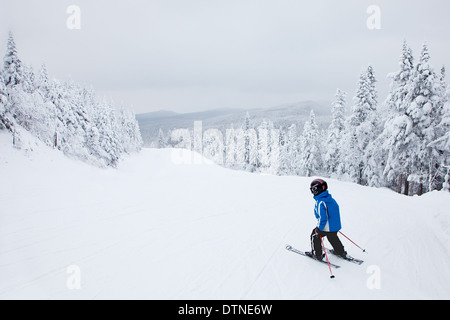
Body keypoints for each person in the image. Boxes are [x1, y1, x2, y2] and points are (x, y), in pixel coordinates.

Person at [309, 179, 347, 260]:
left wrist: (319, 229)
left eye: (312, 189)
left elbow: (323, 218)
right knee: (332, 237)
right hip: (334, 226)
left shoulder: (320, 202)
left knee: (315, 235)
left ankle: (317, 254)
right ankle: (340, 251)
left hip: (327, 226)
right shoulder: (330, 199)